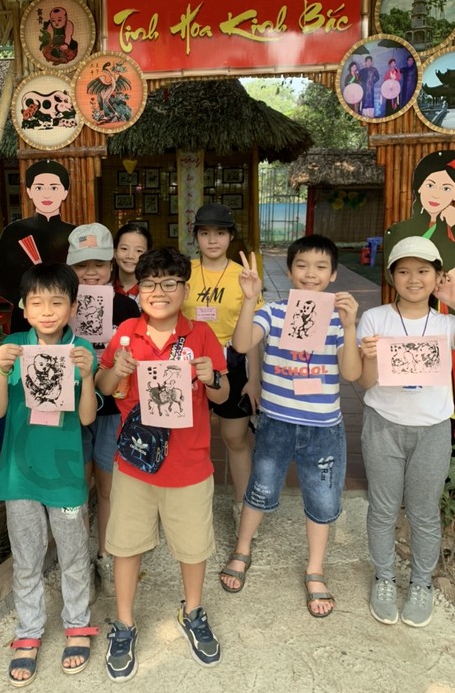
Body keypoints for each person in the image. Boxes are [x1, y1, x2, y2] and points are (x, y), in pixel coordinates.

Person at [96, 247, 229, 682]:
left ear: (184, 289)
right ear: (138, 290)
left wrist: (212, 378)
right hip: (134, 464)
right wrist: (116, 369)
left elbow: (222, 395)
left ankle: (193, 611)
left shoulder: (201, 335)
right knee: (126, 544)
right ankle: (124, 623)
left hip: (189, 464)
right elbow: (103, 386)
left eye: (170, 283)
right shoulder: (126, 333)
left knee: (193, 547)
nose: (159, 291)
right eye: (150, 283)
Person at [219, 235, 361, 618]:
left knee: (323, 500)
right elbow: (242, 343)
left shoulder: (338, 319)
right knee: (260, 488)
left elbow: (351, 373)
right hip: (277, 422)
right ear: (289, 270)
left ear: (333, 274)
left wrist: (350, 328)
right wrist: (249, 300)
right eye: (302, 265)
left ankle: (315, 569)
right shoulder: (274, 312)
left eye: (320, 267)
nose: (310, 274)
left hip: (323, 429)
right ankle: (242, 548)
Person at [0, 262, 99, 684]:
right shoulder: (13, 346)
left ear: (73, 307)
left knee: (73, 554)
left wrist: (87, 375)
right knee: (26, 558)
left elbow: (87, 418)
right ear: (24, 307)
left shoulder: (80, 348)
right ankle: (29, 630)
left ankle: (78, 624)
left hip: (65, 474)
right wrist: (1, 371)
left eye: (57, 302)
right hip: (20, 474)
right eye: (37, 303)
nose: (47, 311)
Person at [357, 236, 455, 627]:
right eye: (404, 271)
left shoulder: (446, 324)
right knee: (382, 508)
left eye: (423, 271)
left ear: (437, 277)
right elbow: (365, 383)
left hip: (432, 428)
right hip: (383, 425)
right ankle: (384, 577)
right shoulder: (375, 319)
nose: (413, 279)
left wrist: (453, 299)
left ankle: (421, 582)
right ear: (391, 276)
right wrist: (369, 357)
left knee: (424, 512)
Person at [66, 223, 140, 596]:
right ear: (70, 268)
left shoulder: (127, 307)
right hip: (70, 409)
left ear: (111, 266)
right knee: (78, 486)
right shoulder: (61, 306)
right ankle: (79, 560)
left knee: (109, 486)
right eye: (82, 265)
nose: (91, 273)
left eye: (98, 264)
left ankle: (106, 555)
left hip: (113, 408)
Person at [181, 203, 257, 532]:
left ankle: (243, 505)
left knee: (235, 437)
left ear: (231, 237)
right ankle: (182, 504)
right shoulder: (184, 272)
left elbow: (253, 332)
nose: (212, 240)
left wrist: (254, 379)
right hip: (188, 361)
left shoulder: (244, 276)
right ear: (196, 237)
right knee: (185, 436)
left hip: (231, 359)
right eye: (205, 233)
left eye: (220, 233)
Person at [0, 159, 75, 332]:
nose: (46, 195)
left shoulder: (75, 233)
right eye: (39, 188)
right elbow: (0, 279)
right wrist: (28, 304)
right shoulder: (13, 232)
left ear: (65, 192)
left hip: (69, 317)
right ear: (29, 191)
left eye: (54, 188)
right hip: (25, 317)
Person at [384, 150, 455, 280]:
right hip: (413, 292)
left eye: (446, 188)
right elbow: (391, 276)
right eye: (430, 185)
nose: (436, 195)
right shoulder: (399, 230)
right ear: (420, 187)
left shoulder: (451, 228)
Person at [113, 223, 152, 301]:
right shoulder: (104, 287)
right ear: (114, 252)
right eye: (124, 248)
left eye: (139, 251)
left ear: (148, 255)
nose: (130, 256)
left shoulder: (154, 291)